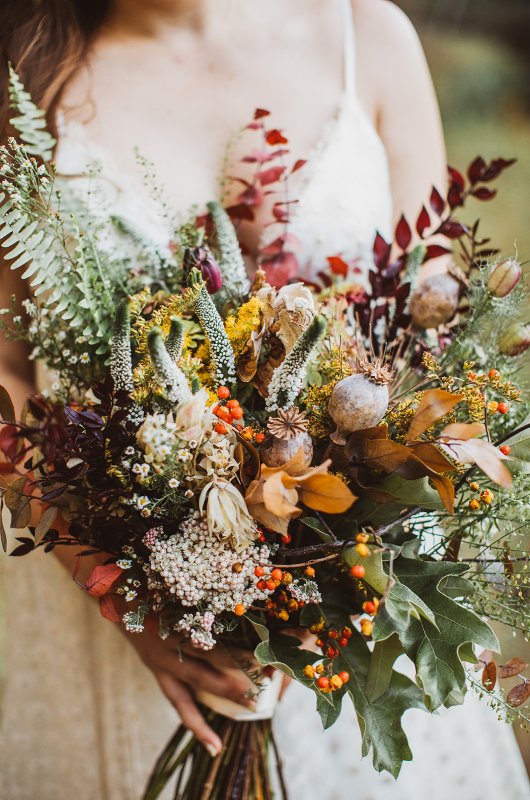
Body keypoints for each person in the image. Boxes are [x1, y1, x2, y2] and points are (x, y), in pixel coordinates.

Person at [0, 1, 529, 798]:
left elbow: (434, 321)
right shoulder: (26, 67)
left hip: (355, 598)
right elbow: (8, 373)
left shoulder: (368, 37)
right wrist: (119, 595)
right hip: (107, 616)